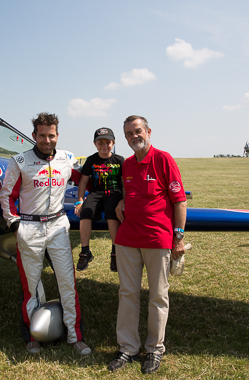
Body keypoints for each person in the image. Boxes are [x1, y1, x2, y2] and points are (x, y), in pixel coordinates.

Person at [0, 112, 91, 356]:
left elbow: (88, 180)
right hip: (29, 228)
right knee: (31, 285)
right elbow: (6, 195)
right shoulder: (19, 161)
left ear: (57, 135)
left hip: (58, 226)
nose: (47, 140)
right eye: (42, 135)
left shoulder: (67, 159)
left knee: (67, 283)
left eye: (51, 135)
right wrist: (14, 223)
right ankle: (32, 336)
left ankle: (75, 336)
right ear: (34, 136)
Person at [108, 115, 187, 374]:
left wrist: (178, 237)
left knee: (158, 296)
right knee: (127, 294)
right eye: (129, 133)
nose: (134, 137)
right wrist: (121, 202)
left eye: (138, 131)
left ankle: (154, 349)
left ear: (149, 131)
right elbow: (127, 193)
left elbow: (180, 201)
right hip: (128, 240)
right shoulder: (128, 164)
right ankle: (128, 348)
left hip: (158, 240)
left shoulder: (163, 159)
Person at [74, 127, 124, 272]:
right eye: (100, 142)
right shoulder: (91, 160)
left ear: (113, 143)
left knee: (112, 212)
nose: (104, 146)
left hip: (114, 193)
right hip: (96, 193)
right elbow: (83, 182)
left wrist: (123, 200)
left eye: (107, 142)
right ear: (95, 144)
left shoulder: (119, 160)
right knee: (86, 212)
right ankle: (85, 251)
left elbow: (125, 183)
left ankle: (115, 252)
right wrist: (80, 201)